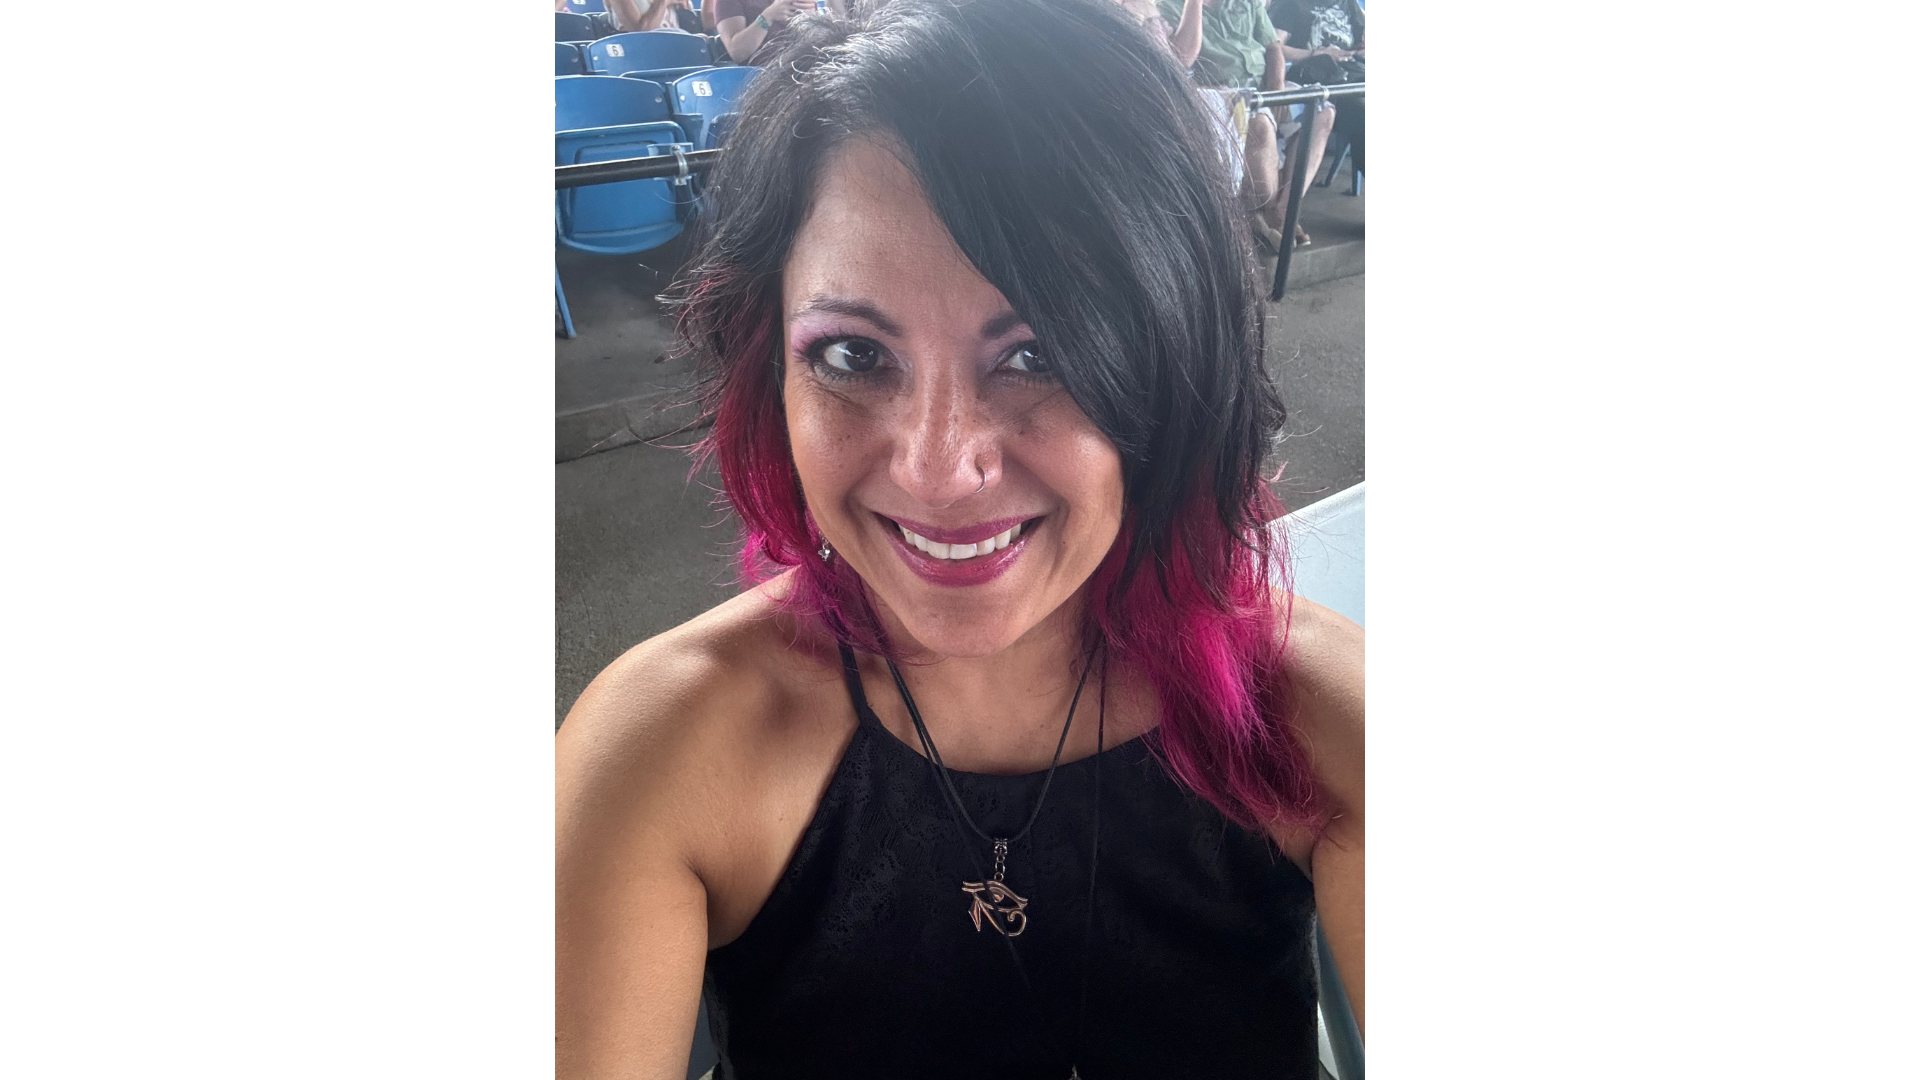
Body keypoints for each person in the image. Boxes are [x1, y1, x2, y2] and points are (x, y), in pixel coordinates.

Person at [555, 0, 1363, 1075]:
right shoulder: (656, 756)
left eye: (1039, 354)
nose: (938, 471)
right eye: (853, 357)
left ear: (1176, 364)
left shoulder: (1325, 721)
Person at [1158, 0, 1337, 248]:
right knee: (1260, 126)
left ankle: (1283, 212)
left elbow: (1273, 47)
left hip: (1265, 85)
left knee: (1322, 112)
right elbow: (1180, 60)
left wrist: (1276, 85)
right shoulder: (1168, 6)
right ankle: (1261, 213)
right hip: (1225, 94)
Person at [714, 0, 844, 65]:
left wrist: (809, 19)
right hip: (759, 80)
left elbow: (822, 43)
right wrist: (767, 17)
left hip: (803, 72)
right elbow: (737, 52)